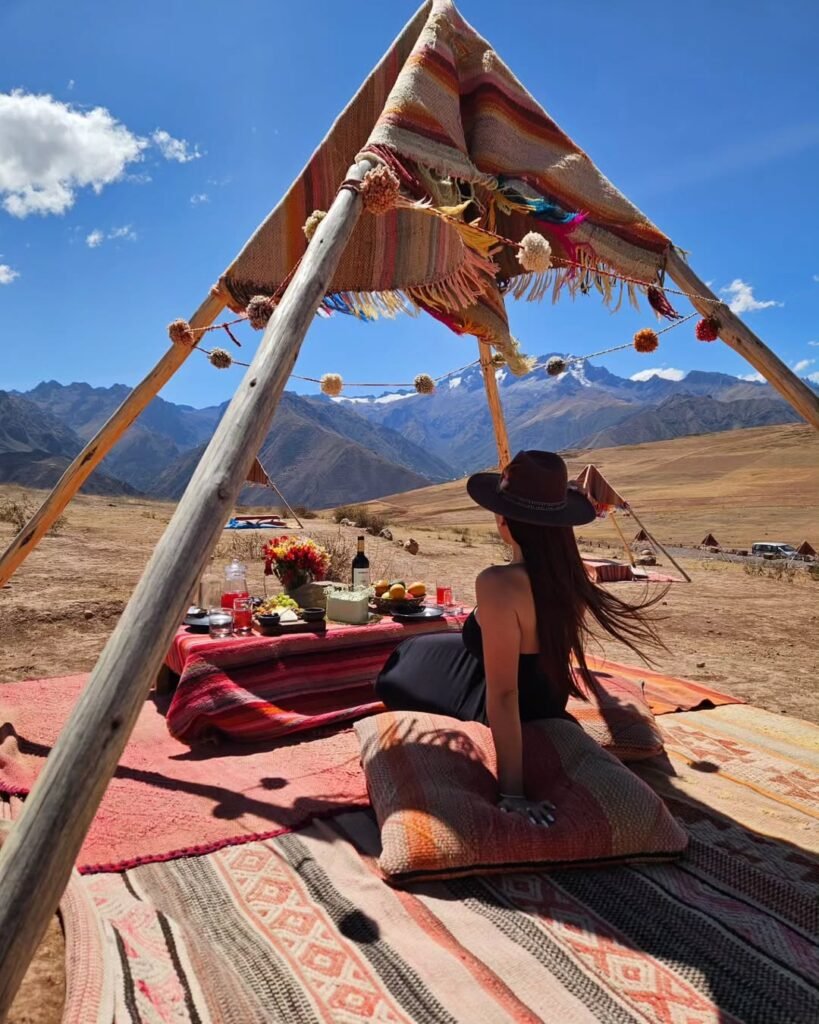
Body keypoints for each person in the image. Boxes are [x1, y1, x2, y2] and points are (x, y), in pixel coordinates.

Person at [375, 450, 664, 826]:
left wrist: (512, 791)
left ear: (505, 520)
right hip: (546, 690)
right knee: (416, 648)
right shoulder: (569, 576)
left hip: (510, 696)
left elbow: (505, 693)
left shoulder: (498, 584)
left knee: (395, 675)